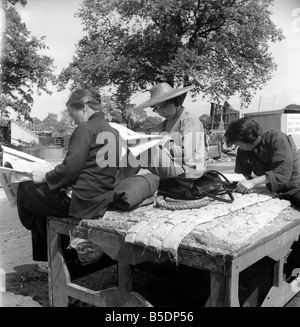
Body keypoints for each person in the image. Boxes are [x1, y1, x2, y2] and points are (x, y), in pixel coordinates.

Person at [16, 88, 121, 266]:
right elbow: (89, 168)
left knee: (25, 189)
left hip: (83, 202)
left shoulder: (86, 128)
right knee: (41, 202)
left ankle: (61, 259)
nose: (73, 120)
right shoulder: (113, 131)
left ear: (85, 107)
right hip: (101, 198)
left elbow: (71, 169)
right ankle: (64, 258)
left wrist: (45, 177)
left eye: (73, 114)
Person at [223, 117, 300, 206]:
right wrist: (239, 183)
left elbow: (282, 172)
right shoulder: (244, 150)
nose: (239, 147)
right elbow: (241, 176)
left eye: (239, 144)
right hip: (277, 190)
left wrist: (252, 182)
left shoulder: (276, 138)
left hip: (295, 183)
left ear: (250, 139)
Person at [135, 82, 206, 177]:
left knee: (146, 150)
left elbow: (186, 155)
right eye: (157, 109)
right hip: (172, 168)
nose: (161, 112)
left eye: (164, 107)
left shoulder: (190, 121)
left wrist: (165, 140)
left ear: (176, 102)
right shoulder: (161, 126)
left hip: (188, 171)